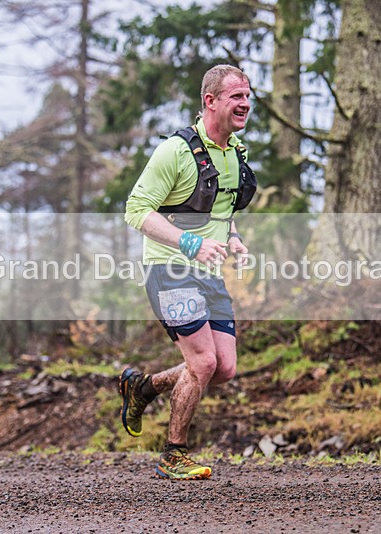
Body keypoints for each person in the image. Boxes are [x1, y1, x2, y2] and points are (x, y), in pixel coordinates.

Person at [120, 64, 256, 480]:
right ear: (210, 101)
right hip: (169, 269)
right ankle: (173, 454)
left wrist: (233, 237)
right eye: (236, 96)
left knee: (224, 367)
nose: (246, 104)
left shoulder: (236, 152)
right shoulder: (175, 151)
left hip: (208, 272)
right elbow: (136, 211)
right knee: (202, 362)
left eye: (248, 96)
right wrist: (189, 243)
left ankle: (143, 388)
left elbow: (221, 210)